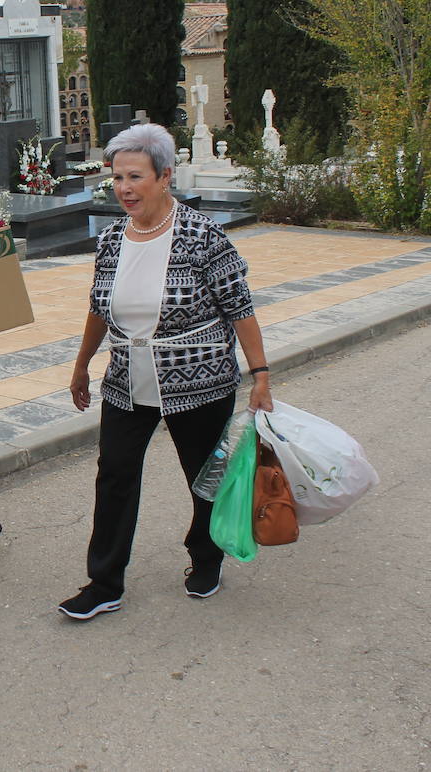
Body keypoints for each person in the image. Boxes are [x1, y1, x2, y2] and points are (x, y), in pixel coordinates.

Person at [58, 123, 274, 620]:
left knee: (203, 476)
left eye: (135, 177)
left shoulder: (203, 236)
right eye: (117, 178)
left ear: (164, 177)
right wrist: (81, 365)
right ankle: (104, 582)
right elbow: (98, 307)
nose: (124, 189)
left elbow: (240, 307)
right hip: (126, 381)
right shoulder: (112, 239)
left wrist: (260, 375)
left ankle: (206, 556)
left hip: (198, 381)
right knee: (114, 475)